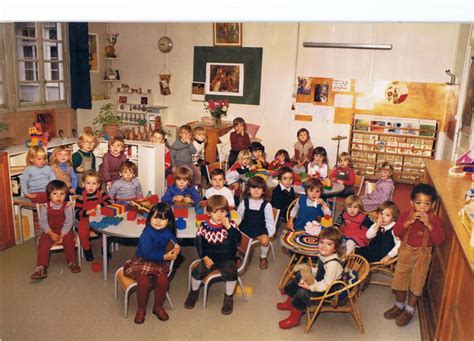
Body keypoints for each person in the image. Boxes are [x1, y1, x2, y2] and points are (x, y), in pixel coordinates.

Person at [383, 184, 445, 327]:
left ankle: (409, 310)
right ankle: (399, 306)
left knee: (417, 284)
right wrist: (408, 222)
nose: (422, 208)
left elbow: (440, 240)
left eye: (427, 204)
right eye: (418, 203)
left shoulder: (435, 220)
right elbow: (396, 232)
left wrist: (430, 225)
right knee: (400, 281)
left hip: (422, 258)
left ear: (433, 205)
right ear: (412, 203)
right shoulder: (406, 215)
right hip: (405, 254)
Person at [123, 202, 181, 324]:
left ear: (169, 221)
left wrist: (177, 248)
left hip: (159, 261)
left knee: (163, 280)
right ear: (149, 218)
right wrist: (165, 256)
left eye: (163, 219)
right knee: (143, 281)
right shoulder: (147, 234)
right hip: (143, 259)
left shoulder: (168, 232)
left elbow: (174, 243)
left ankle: (158, 307)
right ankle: (141, 308)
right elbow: (147, 253)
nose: (158, 221)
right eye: (155, 217)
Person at [184, 195, 242, 315]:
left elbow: (237, 239)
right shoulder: (204, 226)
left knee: (231, 273)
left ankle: (228, 297)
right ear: (209, 213)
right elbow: (199, 244)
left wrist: (229, 228)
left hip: (227, 258)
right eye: (215, 212)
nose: (220, 215)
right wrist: (204, 257)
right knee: (197, 272)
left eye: (222, 211)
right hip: (209, 258)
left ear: (227, 211)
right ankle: (194, 292)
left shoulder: (232, 225)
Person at [276, 227, 344, 329]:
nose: (324, 246)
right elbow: (319, 270)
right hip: (320, 282)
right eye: (321, 242)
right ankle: (290, 301)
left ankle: (294, 318)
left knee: (303, 292)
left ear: (335, 248)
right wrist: (308, 270)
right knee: (300, 274)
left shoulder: (333, 264)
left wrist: (310, 287)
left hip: (328, 290)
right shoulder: (323, 255)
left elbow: (327, 284)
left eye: (329, 244)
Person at [30, 180, 81, 280]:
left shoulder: (67, 207)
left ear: (65, 195)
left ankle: (72, 262)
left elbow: (69, 222)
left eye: (62, 194)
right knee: (43, 242)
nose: (58, 197)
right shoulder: (45, 207)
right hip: (49, 230)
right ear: (49, 195)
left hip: (64, 230)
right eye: (55, 194)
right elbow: (43, 222)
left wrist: (62, 235)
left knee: (69, 240)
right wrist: (50, 233)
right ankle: (41, 267)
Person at [237, 176, 275, 269]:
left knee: (265, 241)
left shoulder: (266, 205)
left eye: (259, 188)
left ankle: (263, 257)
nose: (256, 190)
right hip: (245, 227)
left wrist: (270, 233)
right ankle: (236, 256)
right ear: (249, 190)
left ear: (263, 191)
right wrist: (236, 229)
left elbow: (270, 221)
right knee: (234, 239)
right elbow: (238, 217)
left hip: (260, 228)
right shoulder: (244, 202)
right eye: (253, 187)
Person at [75, 170, 112, 261]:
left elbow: (108, 201)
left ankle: (104, 248)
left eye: (94, 183)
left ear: (98, 185)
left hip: (99, 217)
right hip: (85, 219)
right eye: (88, 183)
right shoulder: (80, 196)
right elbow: (77, 211)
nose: (91, 186)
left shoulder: (101, 193)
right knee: (82, 233)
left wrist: (101, 205)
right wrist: (86, 212)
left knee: (106, 230)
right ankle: (87, 250)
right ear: (83, 184)